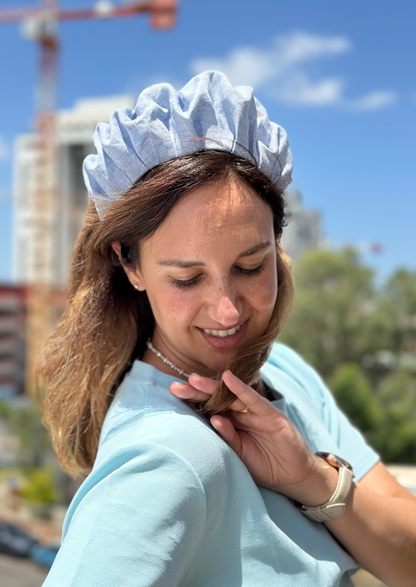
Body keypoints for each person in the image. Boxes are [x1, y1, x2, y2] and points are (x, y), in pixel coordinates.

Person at [38, 71, 416, 587]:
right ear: (130, 266)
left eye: (250, 267)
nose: (227, 313)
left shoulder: (284, 369)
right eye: (187, 278)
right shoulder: (162, 457)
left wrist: (312, 478)